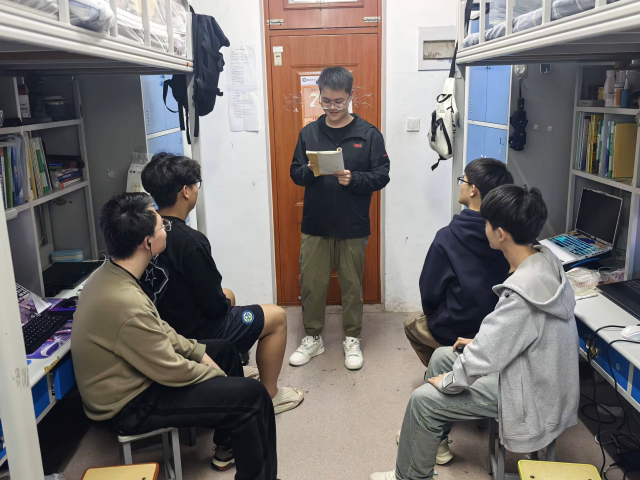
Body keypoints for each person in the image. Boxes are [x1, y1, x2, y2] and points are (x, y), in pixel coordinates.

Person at [371, 185, 580, 480]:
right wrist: (476, 347)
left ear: (500, 234)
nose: (484, 227)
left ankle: (409, 477)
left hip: (532, 395)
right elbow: (515, 335)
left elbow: (491, 348)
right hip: (539, 375)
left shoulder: (520, 294)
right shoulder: (545, 260)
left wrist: (450, 382)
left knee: (423, 400)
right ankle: (431, 445)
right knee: (443, 356)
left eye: (486, 222)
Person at [71, 193, 279, 480]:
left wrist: (199, 353)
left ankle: (229, 441)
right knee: (253, 397)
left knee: (225, 351)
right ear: (147, 243)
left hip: (133, 377)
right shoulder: (125, 302)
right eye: (162, 227)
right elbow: (170, 369)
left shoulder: (112, 272)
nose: (166, 230)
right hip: (128, 404)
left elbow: (160, 328)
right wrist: (214, 375)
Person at [140, 153, 303, 423]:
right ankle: (269, 395)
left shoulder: (145, 231)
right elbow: (215, 306)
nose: (196, 190)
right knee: (276, 316)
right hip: (194, 332)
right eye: (195, 185)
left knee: (230, 295)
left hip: (162, 324)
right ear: (185, 192)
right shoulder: (190, 241)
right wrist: (225, 306)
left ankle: (231, 369)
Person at [289, 66, 391, 370]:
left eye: (339, 101)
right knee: (312, 284)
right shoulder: (309, 133)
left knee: (351, 286)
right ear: (319, 96)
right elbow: (295, 172)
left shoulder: (368, 134)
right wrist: (310, 171)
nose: (332, 107)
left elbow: (382, 175)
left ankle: (352, 338)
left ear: (350, 96)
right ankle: (313, 337)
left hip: (353, 224)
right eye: (326, 101)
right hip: (316, 223)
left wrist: (354, 179)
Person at [405, 158, 513, 369]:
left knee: (410, 324)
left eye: (462, 180)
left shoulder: (447, 238)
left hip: (457, 329)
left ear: (473, 190)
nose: (460, 185)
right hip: (501, 330)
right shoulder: (514, 235)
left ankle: (447, 368)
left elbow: (429, 295)